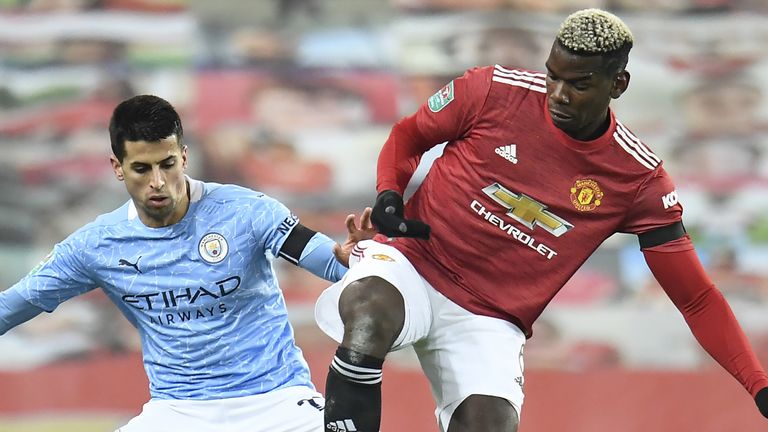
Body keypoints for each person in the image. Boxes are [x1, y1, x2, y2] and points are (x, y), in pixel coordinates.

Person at [314, 8, 768, 432]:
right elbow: (408, 135)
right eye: (553, 75)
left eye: (579, 84)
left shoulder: (639, 181)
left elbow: (696, 299)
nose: (558, 95)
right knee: (369, 314)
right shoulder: (491, 90)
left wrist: (758, 384)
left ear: (619, 84)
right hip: (414, 264)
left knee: (488, 423)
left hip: (491, 316)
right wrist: (390, 192)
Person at [0, 94, 374, 432]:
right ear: (118, 167)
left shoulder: (245, 210)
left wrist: (350, 258)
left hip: (277, 400)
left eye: (167, 164)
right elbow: (11, 307)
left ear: (183, 156)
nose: (158, 182)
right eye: (142, 169)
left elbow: (329, 260)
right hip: (178, 411)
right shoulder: (96, 246)